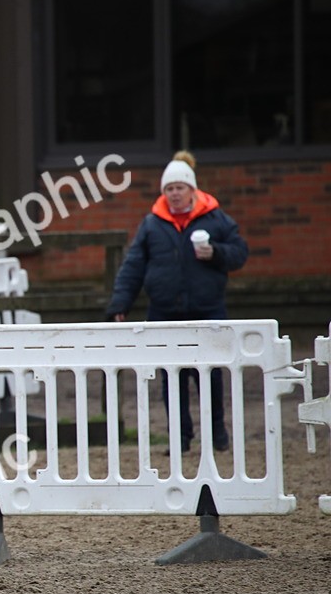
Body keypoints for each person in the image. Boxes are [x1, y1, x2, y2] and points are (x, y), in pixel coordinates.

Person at [106, 151, 249, 452]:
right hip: (164, 312)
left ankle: (216, 435)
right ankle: (180, 438)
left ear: (192, 189)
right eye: (168, 189)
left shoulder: (217, 219)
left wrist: (217, 253)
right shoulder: (151, 224)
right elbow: (133, 266)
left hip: (207, 309)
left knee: (209, 376)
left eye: (179, 188)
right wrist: (120, 304)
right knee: (172, 379)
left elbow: (239, 253)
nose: (173, 194)